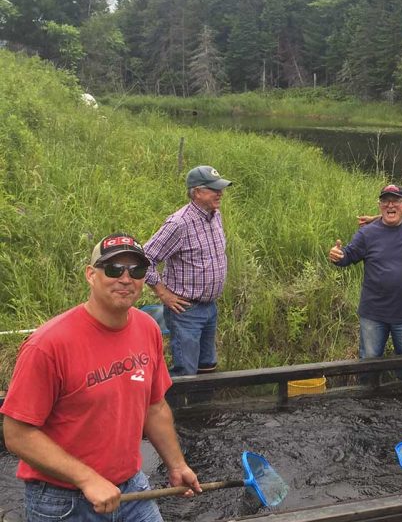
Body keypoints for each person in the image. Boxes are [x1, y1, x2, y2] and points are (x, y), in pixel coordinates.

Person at [1, 233, 202, 521]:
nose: (125, 278)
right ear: (90, 275)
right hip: (63, 500)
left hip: (131, 486)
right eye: (113, 269)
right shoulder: (48, 345)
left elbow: (154, 406)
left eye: (137, 270)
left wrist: (176, 465)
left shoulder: (147, 329)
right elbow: (17, 435)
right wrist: (86, 478)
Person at [144, 165, 232, 376]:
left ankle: (205, 409)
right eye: (214, 189)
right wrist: (163, 294)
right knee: (187, 373)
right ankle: (179, 409)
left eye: (221, 188)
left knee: (207, 366)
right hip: (186, 311)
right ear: (197, 192)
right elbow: (144, 258)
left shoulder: (215, 215)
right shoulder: (179, 223)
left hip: (210, 307)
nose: (220, 193)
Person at [328, 184, 402, 360]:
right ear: (379, 205)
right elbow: (348, 255)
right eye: (385, 201)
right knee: (368, 363)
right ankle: (368, 388)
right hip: (373, 314)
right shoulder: (367, 234)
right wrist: (338, 255)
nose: (390, 205)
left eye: (396, 201)